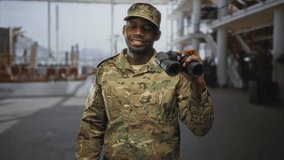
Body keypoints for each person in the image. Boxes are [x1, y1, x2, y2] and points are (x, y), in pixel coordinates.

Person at [76, 3, 214, 160]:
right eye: (132, 26)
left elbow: (200, 127)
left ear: (157, 35)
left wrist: (199, 85)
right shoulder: (106, 71)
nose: (138, 32)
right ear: (124, 30)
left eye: (147, 28)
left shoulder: (174, 72)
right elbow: (92, 125)